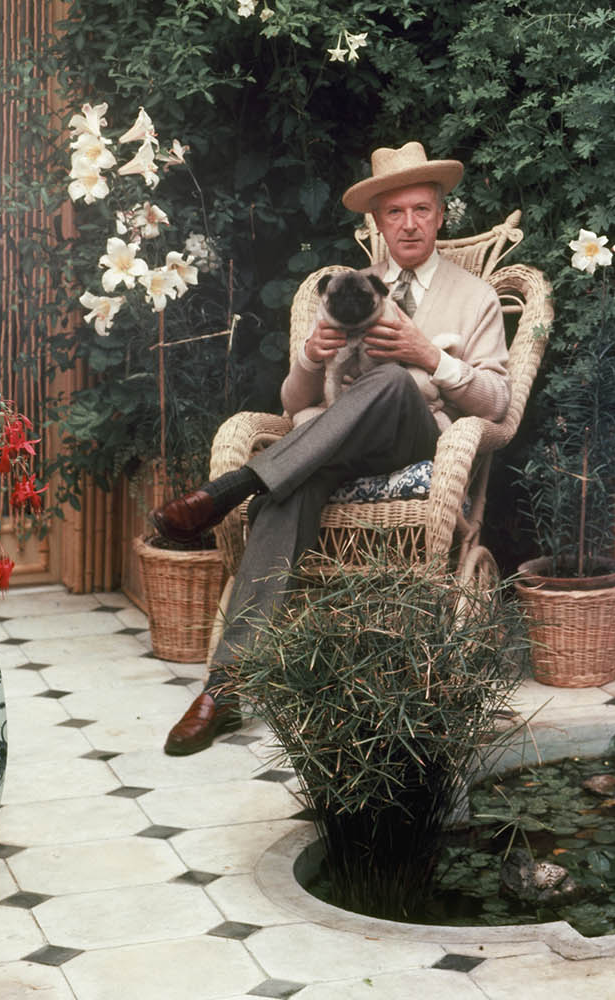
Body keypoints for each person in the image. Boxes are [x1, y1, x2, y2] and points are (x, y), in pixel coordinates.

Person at [153, 142, 510, 755]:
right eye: (394, 213)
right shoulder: (349, 289)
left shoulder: (473, 297)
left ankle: (234, 486)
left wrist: (430, 356)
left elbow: (498, 402)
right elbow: (295, 406)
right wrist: (309, 357)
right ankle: (226, 687)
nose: (409, 224)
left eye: (421, 209)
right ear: (376, 223)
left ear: (441, 215)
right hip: (339, 441)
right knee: (289, 494)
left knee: (395, 379)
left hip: (420, 437)